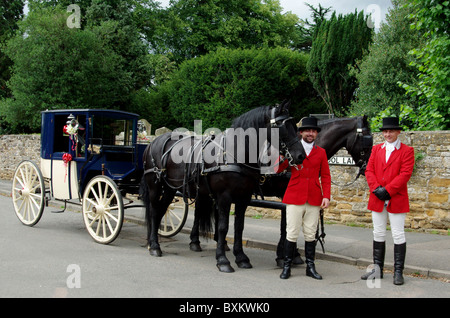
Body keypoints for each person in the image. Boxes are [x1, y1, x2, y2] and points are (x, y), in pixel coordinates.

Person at [361, 117, 414, 285]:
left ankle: (398, 272)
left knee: (398, 234)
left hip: (396, 197)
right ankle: (378, 270)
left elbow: (405, 174)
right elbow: (369, 170)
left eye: (391, 131)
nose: (388, 134)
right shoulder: (376, 149)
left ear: (398, 132)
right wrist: (377, 189)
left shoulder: (407, 151)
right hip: (377, 197)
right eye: (385, 131)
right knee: (378, 233)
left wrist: (388, 190)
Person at [276, 116, 331, 280]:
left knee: (310, 234)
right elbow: (279, 169)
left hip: (314, 198)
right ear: (301, 133)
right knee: (291, 233)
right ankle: (286, 267)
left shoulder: (321, 152)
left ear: (316, 134)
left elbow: (326, 176)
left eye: (313, 131)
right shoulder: (293, 148)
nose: (310, 133)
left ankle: (310, 267)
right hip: (295, 196)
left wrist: (326, 196)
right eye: (307, 130)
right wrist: (281, 158)